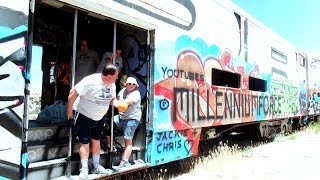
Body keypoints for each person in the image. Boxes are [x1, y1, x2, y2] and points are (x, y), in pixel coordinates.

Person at [67, 64, 119, 179]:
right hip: (84, 115)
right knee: (84, 142)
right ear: (108, 76)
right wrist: (69, 112)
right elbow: (72, 93)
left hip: (99, 117)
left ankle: (96, 165)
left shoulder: (112, 84)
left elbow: (112, 99)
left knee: (96, 141)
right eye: (115, 76)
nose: (117, 78)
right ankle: (84, 169)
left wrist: (117, 104)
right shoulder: (90, 81)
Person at [105, 77, 141, 169]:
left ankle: (125, 161)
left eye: (133, 84)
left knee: (127, 139)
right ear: (126, 84)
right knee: (108, 124)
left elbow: (123, 105)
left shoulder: (136, 93)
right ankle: (110, 146)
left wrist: (115, 102)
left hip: (132, 118)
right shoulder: (123, 91)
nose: (131, 85)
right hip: (121, 117)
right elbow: (114, 99)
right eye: (129, 83)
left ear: (136, 85)